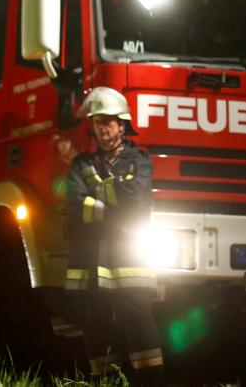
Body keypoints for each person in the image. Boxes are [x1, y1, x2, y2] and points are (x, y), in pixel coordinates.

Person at [64, 86, 165, 384]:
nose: (102, 128)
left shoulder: (140, 161)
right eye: (97, 122)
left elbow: (138, 200)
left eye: (107, 121)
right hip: (90, 267)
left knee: (141, 328)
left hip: (129, 264)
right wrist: (116, 207)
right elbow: (74, 209)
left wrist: (97, 196)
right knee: (96, 330)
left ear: (122, 124)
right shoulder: (81, 165)